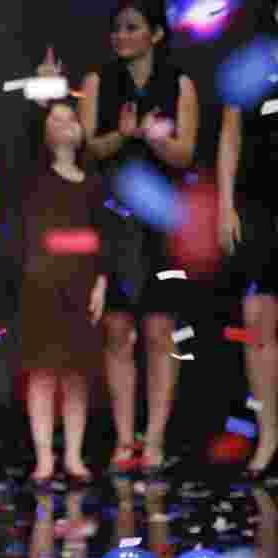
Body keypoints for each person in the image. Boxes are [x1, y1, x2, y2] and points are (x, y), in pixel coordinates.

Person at [76, 0, 199, 474]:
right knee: (117, 330)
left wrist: (154, 139)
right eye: (117, 28)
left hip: (163, 221)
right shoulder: (97, 83)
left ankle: (157, 439)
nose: (121, 36)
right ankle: (125, 440)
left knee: (160, 330)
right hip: (114, 220)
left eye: (132, 27)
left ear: (156, 34)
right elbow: (90, 149)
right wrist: (123, 134)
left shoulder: (179, 84)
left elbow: (186, 153)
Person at [215, 0, 278, 558]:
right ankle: (269, 435)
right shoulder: (251, 43)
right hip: (260, 205)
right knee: (258, 320)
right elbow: (231, 128)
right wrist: (225, 201)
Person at [18, 101, 108, 485]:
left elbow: (104, 237)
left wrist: (101, 283)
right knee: (42, 374)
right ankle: (44, 457)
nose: (65, 124)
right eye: (55, 119)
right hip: (43, 288)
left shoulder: (94, 182)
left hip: (82, 287)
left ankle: (72, 454)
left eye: (71, 117)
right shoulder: (34, 179)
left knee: (76, 375)